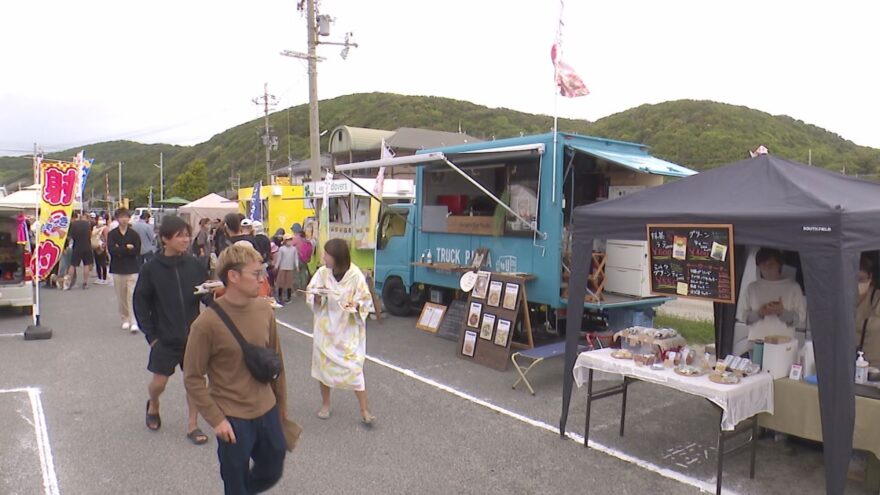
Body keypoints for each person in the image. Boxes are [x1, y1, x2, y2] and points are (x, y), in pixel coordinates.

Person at [184, 243, 289, 494]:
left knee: (273, 467)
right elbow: (193, 377)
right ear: (233, 276)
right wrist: (216, 420)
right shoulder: (206, 324)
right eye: (255, 274)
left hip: (267, 409)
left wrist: (282, 407)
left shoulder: (264, 309)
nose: (262, 279)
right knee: (234, 480)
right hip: (232, 417)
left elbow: (277, 361)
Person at [134, 215, 211, 445]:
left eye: (187, 235)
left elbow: (204, 294)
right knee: (159, 384)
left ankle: (193, 425)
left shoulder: (196, 265)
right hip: (164, 338)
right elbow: (140, 302)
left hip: (193, 337)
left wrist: (221, 301)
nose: (186, 239)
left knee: (195, 382)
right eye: (180, 236)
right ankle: (154, 403)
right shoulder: (151, 269)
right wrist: (151, 336)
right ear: (165, 239)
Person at [306, 238, 376, 425]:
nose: (323, 257)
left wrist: (357, 305)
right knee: (324, 369)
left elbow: (365, 300)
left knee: (354, 369)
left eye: (326, 254)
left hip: (347, 329)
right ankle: (326, 404)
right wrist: (317, 297)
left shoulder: (355, 276)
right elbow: (311, 292)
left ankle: (364, 410)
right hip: (326, 328)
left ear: (336, 257)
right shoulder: (322, 273)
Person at [737, 248, 806, 341]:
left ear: (779, 264)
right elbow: (743, 317)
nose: (766, 268)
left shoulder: (793, 287)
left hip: (784, 342)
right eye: (763, 264)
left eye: (771, 264)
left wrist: (782, 312)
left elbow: (800, 319)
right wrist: (760, 313)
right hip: (757, 341)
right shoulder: (752, 288)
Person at [108, 208, 142, 332]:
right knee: (121, 296)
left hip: (132, 268)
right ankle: (125, 318)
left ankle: (134, 321)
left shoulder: (134, 234)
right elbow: (112, 250)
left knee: (131, 295)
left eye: (126, 217)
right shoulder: (112, 234)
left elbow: (137, 251)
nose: (124, 219)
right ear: (117, 219)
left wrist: (121, 249)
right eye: (121, 217)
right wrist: (126, 248)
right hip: (117, 269)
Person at [857, 254, 880, 366]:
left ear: (870, 277)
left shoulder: (876, 299)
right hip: (847, 367)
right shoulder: (840, 301)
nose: (856, 284)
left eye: (860, 279)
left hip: (875, 367)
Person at [67, 211, 94, 290]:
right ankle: (85, 283)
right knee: (86, 265)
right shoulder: (88, 224)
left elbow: (71, 236)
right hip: (87, 246)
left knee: (72, 265)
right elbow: (91, 234)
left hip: (77, 246)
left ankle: (68, 283)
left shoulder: (74, 225)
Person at [274, 234, 297, 304]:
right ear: (285, 241)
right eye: (288, 240)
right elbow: (279, 258)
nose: (290, 241)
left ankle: (288, 297)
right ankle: (280, 296)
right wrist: (276, 266)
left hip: (290, 267)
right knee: (281, 282)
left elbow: (296, 258)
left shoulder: (294, 249)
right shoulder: (281, 249)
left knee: (289, 283)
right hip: (282, 267)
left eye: (290, 240)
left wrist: (297, 265)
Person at [92, 216, 109, 285]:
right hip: (95, 246)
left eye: (101, 219)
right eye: (99, 219)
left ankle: (104, 278)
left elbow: (106, 238)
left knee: (103, 263)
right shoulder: (94, 227)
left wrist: (106, 247)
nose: (100, 221)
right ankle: (99, 277)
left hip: (102, 246)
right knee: (97, 263)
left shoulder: (105, 228)